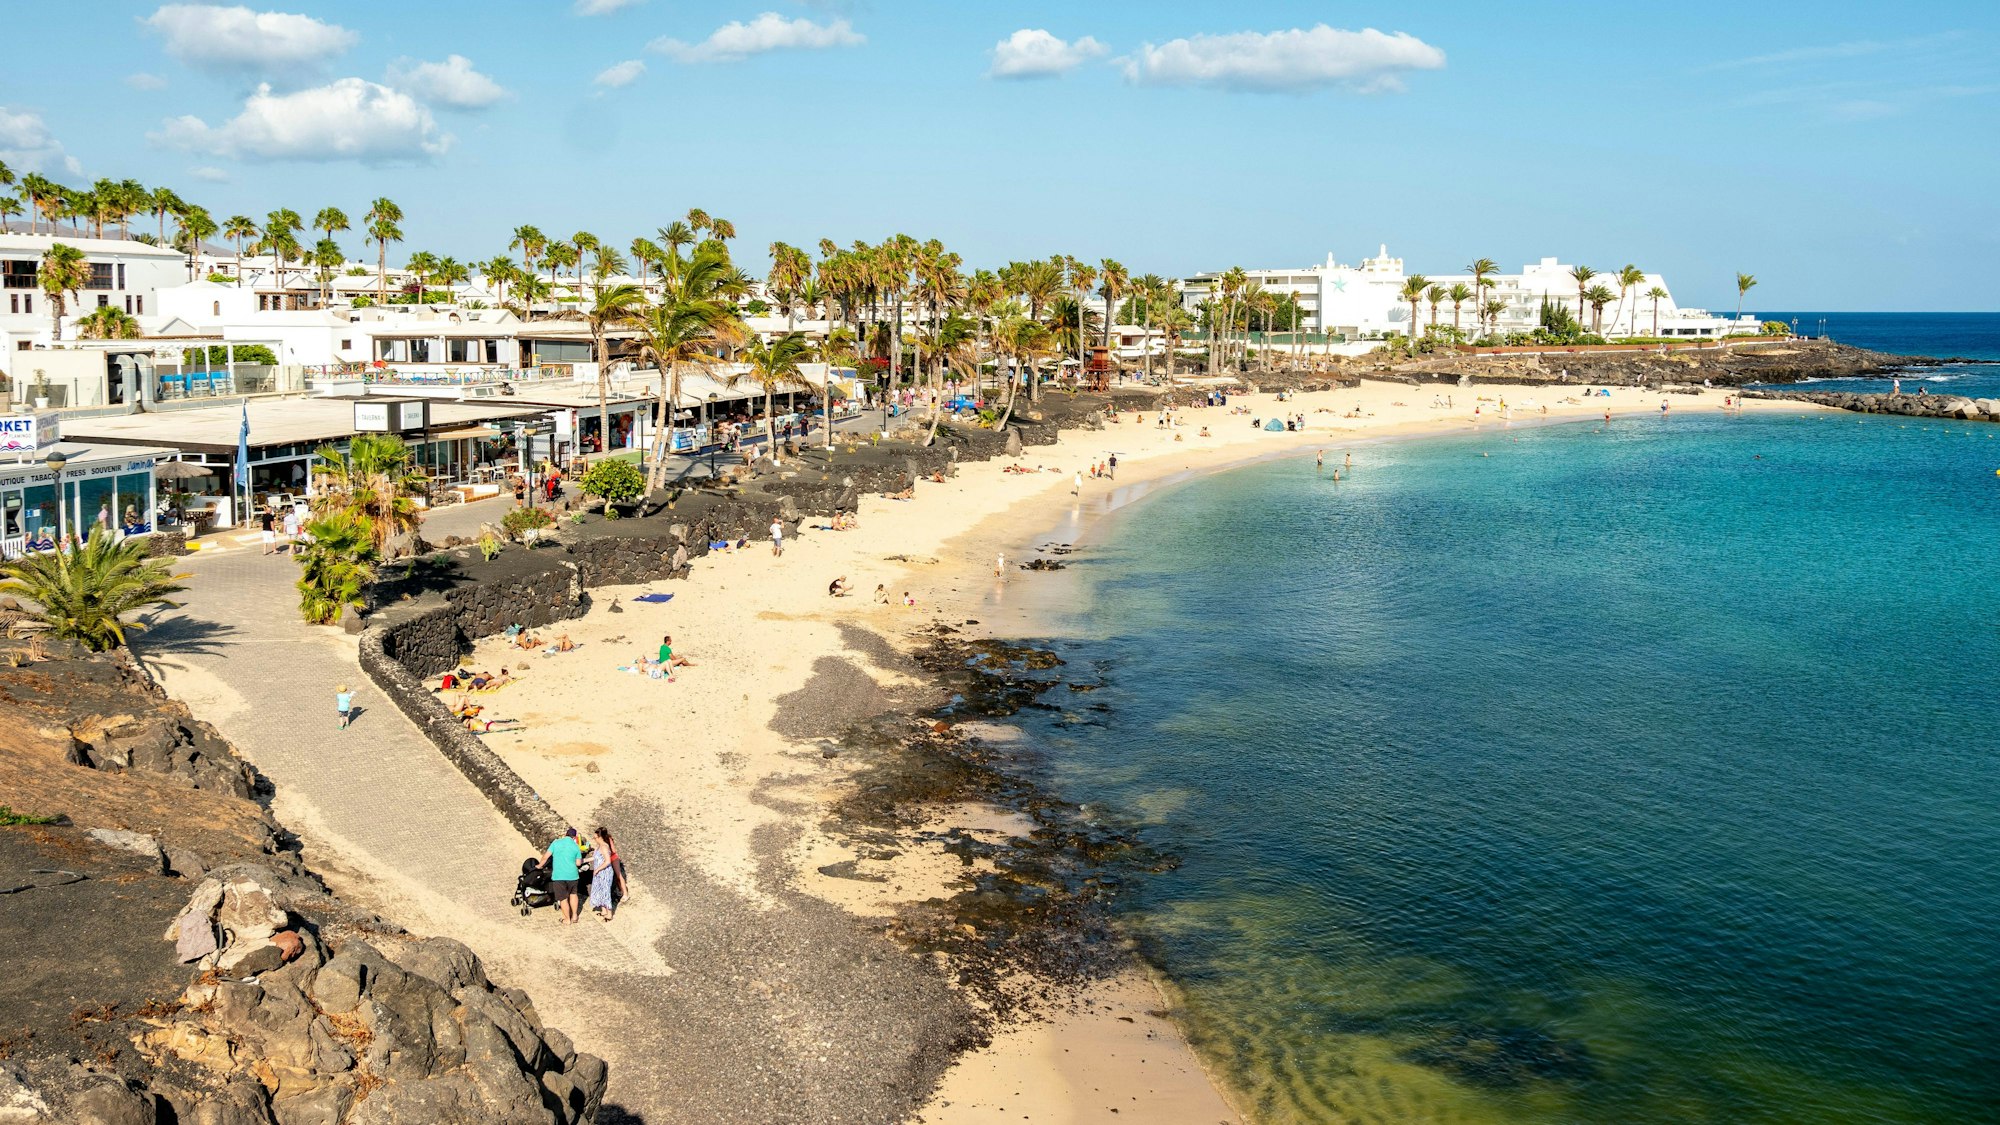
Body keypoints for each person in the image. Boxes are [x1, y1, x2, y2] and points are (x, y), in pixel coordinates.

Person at [543, 829, 584, 925]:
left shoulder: (556, 843)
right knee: (573, 895)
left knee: (563, 898)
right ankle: (574, 916)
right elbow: (578, 863)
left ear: (565, 834)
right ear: (574, 837)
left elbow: (546, 857)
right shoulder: (575, 846)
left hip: (559, 876)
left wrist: (539, 866)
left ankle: (567, 919)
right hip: (573, 875)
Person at [588, 826, 627, 921]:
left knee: (605, 892)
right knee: (600, 890)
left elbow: (607, 861)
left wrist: (597, 869)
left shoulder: (604, 847)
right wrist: (583, 860)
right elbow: (595, 858)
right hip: (599, 873)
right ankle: (604, 910)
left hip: (604, 872)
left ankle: (609, 913)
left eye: (595, 838)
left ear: (599, 837)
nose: (594, 839)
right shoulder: (599, 847)